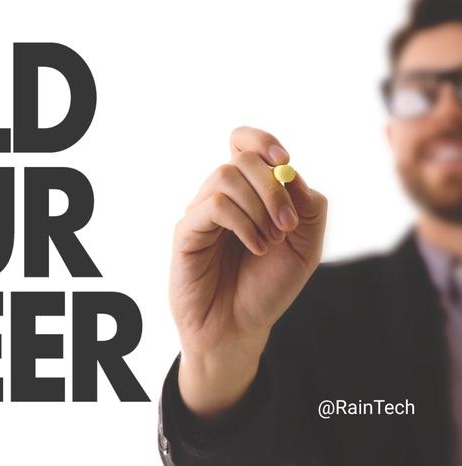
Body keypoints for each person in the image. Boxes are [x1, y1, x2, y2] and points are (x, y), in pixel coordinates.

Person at [158, 1, 462, 464]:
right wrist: (218, 357)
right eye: (418, 95)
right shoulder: (306, 314)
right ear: (393, 133)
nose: (445, 114)